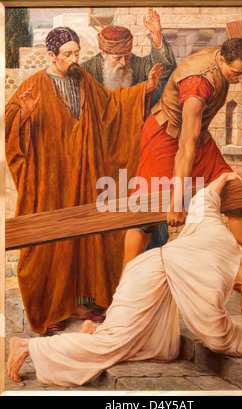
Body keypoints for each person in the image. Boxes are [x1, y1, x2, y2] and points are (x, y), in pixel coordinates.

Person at [7, 171, 242, 386]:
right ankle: (28, 346)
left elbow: (204, 203)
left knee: (161, 347)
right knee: (113, 346)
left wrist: (221, 180)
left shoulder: (225, 241)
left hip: (152, 277)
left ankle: (97, 328)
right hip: (147, 279)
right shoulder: (215, 284)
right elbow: (217, 335)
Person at [5, 26, 163, 334]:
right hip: (51, 180)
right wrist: (24, 115)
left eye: (77, 53)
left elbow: (112, 106)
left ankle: (81, 304)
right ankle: (52, 309)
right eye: (68, 54)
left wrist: (144, 89)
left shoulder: (84, 80)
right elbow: (12, 129)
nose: (75, 59)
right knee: (52, 242)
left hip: (87, 175)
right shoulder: (33, 84)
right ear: (51, 56)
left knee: (87, 239)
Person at [121, 37, 242, 294]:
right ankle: (125, 283)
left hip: (195, 137)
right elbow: (186, 146)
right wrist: (177, 201)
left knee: (236, 197)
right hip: (167, 139)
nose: (241, 79)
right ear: (222, 60)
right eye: (237, 73)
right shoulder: (197, 86)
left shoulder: (228, 54)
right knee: (146, 212)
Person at [81, 8, 177, 253]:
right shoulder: (88, 72)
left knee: (146, 215)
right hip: (103, 158)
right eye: (117, 59)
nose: (124, 63)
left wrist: (156, 35)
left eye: (127, 55)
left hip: (139, 155)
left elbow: (165, 72)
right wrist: (142, 90)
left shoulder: (139, 64)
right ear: (103, 54)